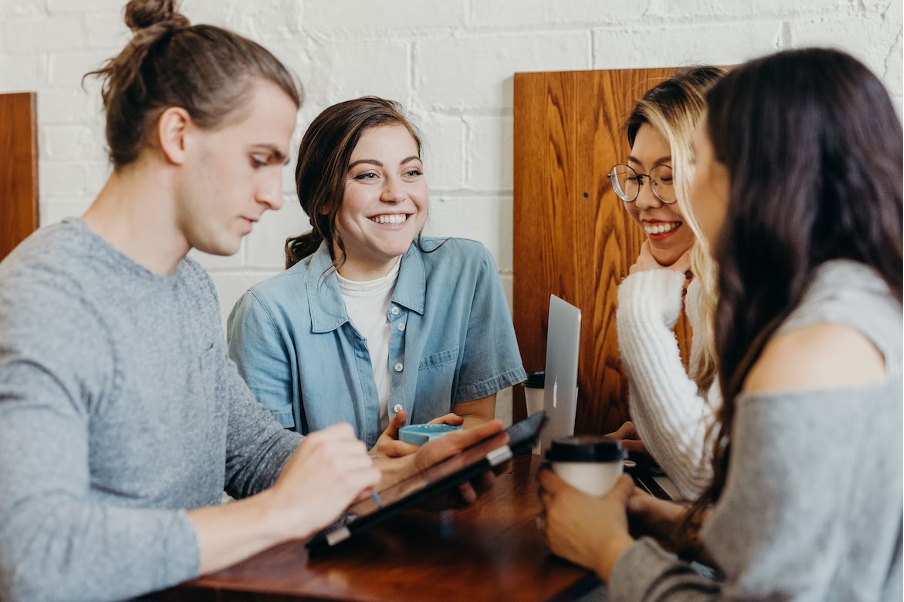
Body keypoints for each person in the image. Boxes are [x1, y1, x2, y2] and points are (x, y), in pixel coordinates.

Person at [0, 2, 506, 600]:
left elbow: (254, 452)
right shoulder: (44, 298)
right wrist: (279, 515)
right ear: (177, 135)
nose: (273, 196)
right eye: (258, 160)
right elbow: (33, 556)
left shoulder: (184, 285)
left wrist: (392, 479)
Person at [539, 48, 903, 599]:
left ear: (760, 177)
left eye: (698, 162)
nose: (662, 195)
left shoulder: (812, 348)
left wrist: (609, 550)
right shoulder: (856, 301)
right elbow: (795, 542)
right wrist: (668, 522)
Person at [227, 96, 526, 455]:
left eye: (411, 172)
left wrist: (431, 447)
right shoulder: (265, 313)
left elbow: (476, 419)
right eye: (368, 175)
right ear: (323, 198)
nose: (396, 193)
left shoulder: (466, 270)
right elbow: (266, 468)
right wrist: (378, 468)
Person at [605, 67, 725, 500]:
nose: (643, 200)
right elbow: (717, 457)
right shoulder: (707, 287)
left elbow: (705, 477)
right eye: (635, 176)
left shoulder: (760, 292)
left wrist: (639, 309)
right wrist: (660, 441)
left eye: (668, 176)